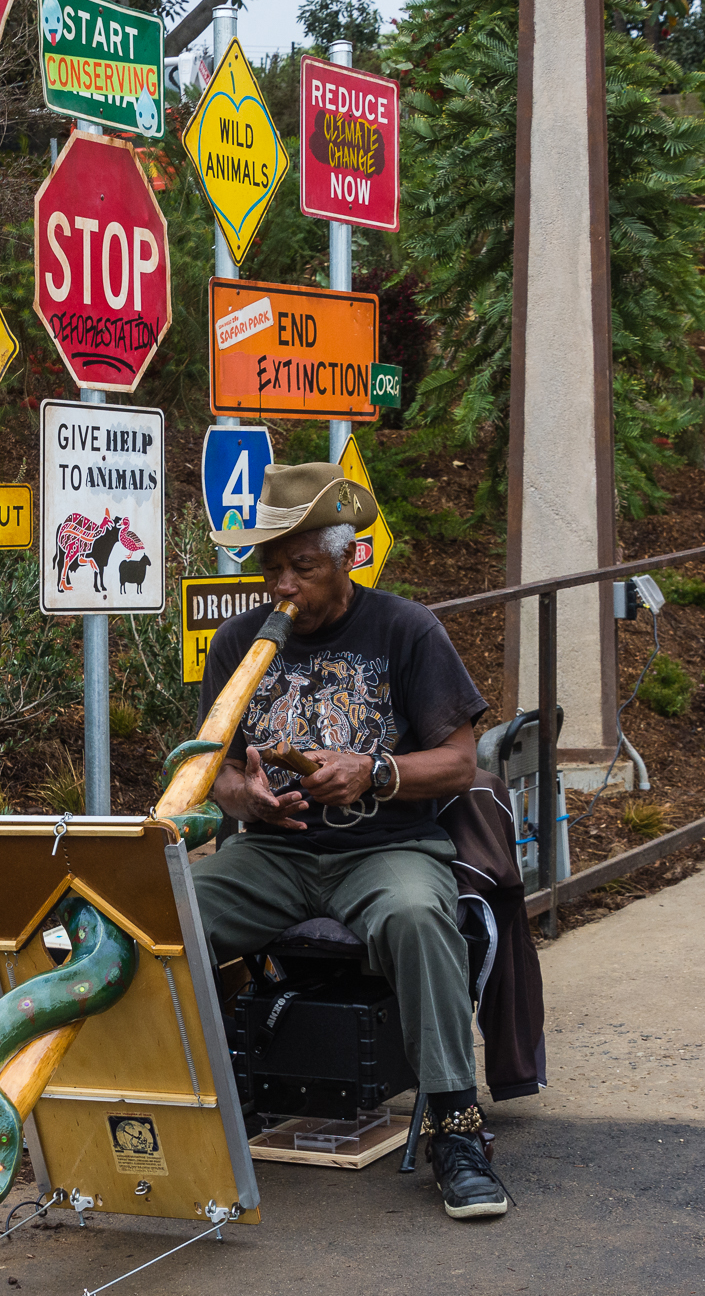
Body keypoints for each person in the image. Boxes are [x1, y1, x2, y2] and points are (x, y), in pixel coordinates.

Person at [193, 461, 510, 1220]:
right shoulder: (240, 639)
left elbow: (463, 760)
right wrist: (250, 796)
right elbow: (217, 771)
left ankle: (457, 1129)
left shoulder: (405, 628)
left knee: (415, 917)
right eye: (272, 569)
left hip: (386, 847)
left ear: (346, 558)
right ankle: (190, 1109)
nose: (284, 587)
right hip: (274, 852)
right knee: (159, 917)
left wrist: (376, 770)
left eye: (303, 567)